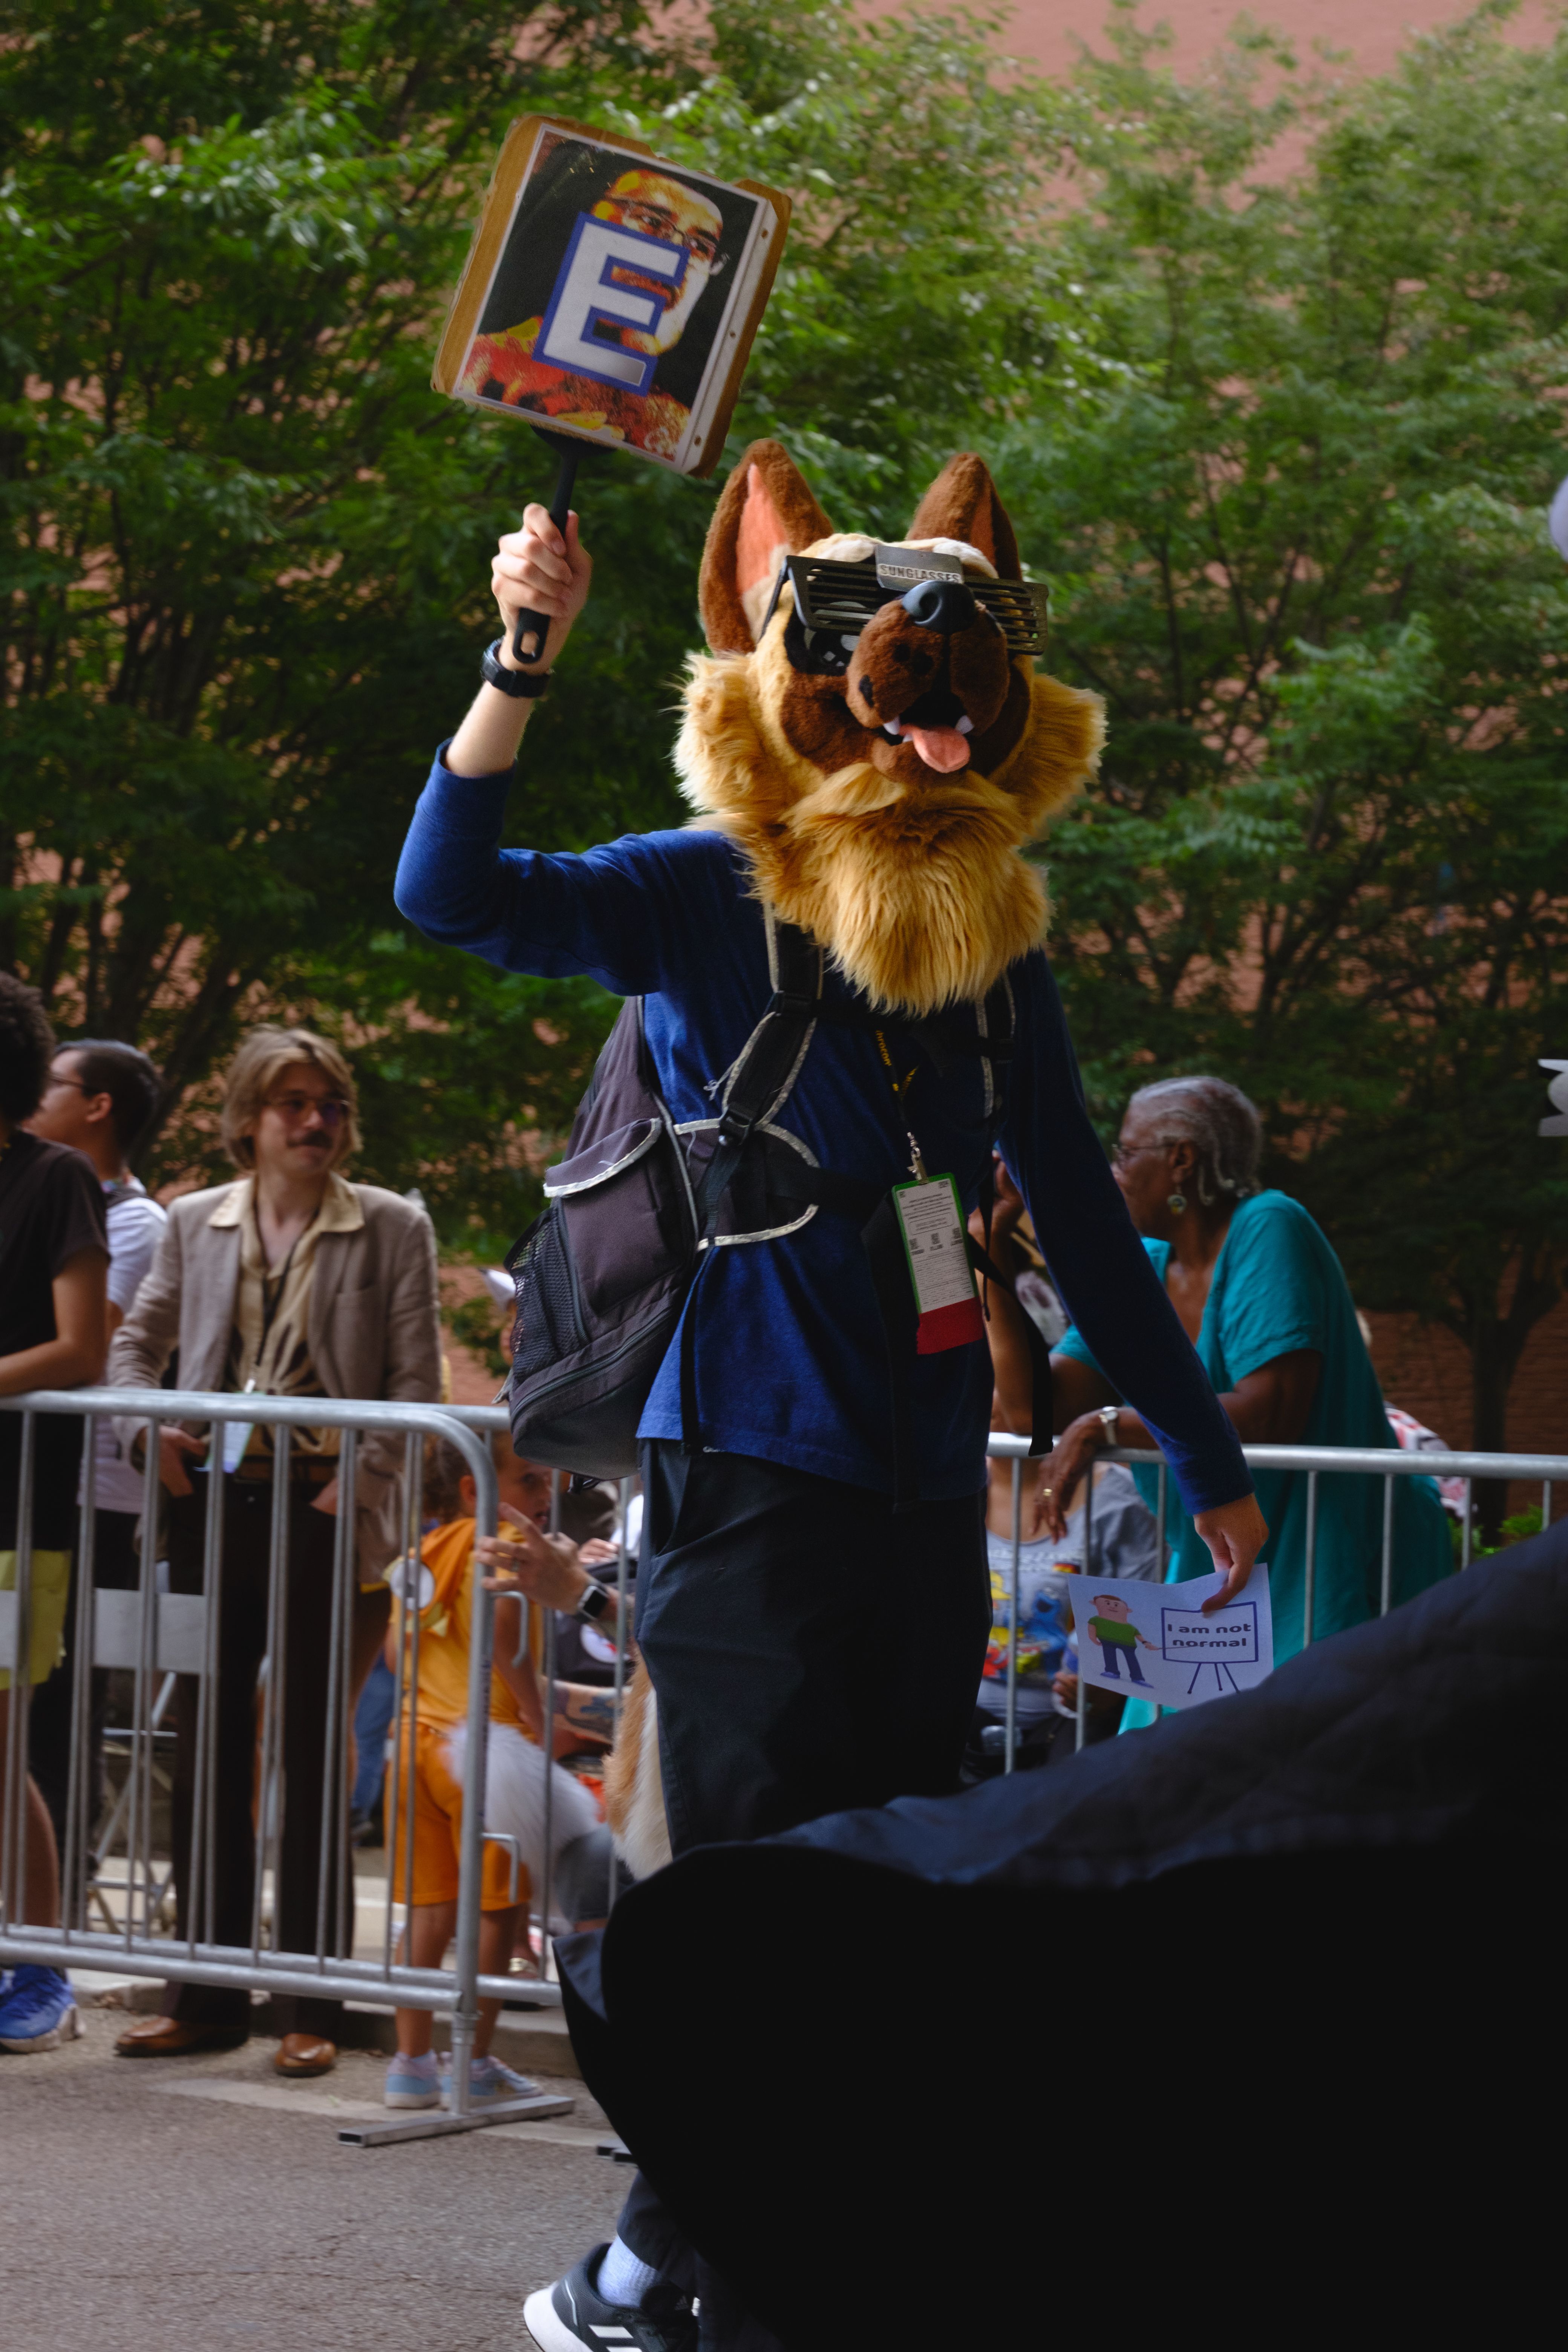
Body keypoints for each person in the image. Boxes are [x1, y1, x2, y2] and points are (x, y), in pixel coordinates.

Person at [396, 457, 1264, 2352]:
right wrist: (520, 656)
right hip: (745, 1471)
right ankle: (676, 2276)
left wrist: (1203, 1449)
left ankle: (691, 2262)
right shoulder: (709, 890)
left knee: (874, 1889)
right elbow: (446, 896)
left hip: (921, 1487)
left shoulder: (994, 952)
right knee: (740, 1903)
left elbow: (1080, 1227)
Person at [107, 1026, 441, 2076]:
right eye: (292, 1103)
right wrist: (145, 1431)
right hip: (211, 1507)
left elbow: (417, 1383)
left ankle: (311, 2004)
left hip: (327, 1510)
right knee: (205, 1741)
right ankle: (201, 1997)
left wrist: (358, 1484)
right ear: (248, 1119)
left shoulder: (391, 1224)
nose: (314, 1121)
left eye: (330, 1103)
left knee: (308, 1746)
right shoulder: (193, 1220)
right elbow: (133, 1346)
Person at [1045, 1076, 1453, 1664]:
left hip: (1325, 1546)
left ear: (1181, 1159)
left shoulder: (1269, 1223)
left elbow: (1269, 1413)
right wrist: (990, 1243)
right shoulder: (1143, 1264)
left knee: (1307, 1719)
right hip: (1222, 1554)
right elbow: (1039, 1407)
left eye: (1126, 1153)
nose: (1116, 1173)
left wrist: (1107, 1425)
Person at [383, 1429, 609, 2113]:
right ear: (474, 1490)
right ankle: (474, 2064)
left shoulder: (420, 1553)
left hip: (415, 1744)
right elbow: (507, 1645)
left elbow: (395, 1653)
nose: (545, 1494)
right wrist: (539, 1721)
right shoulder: (505, 1547)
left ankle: (410, 2065)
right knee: (494, 1909)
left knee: (427, 1908)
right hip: (483, 1756)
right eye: (529, 1481)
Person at [0, 976, 109, 2054]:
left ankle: (41, 1966)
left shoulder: (57, 1177)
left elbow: (82, 1347)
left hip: (16, 1507)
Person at [26, 1037, 165, 1854]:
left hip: (96, 1495)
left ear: (97, 1106)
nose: (32, 1096)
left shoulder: (137, 1221)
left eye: (50, 1083)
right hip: (39, 1477)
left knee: (61, 1690)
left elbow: (83, 1332)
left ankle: (63, 1885)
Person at [462, 164, 727, 461]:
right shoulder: (480, 364)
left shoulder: (680, 430)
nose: (675, 255)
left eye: (700, 246)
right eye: (649, 220)